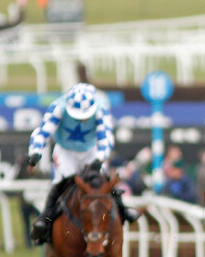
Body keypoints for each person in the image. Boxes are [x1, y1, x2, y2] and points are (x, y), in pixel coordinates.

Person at [26, 83, 140, 244]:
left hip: (90, 151)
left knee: (104, 181)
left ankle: (123, 209)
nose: (82, 119)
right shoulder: (58, 107)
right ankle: (45, 220)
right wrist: (35, 151)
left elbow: (106, 137)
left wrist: (99, 159)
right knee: (62, 184)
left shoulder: (101, 108)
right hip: (65, 152)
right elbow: (43, 131)